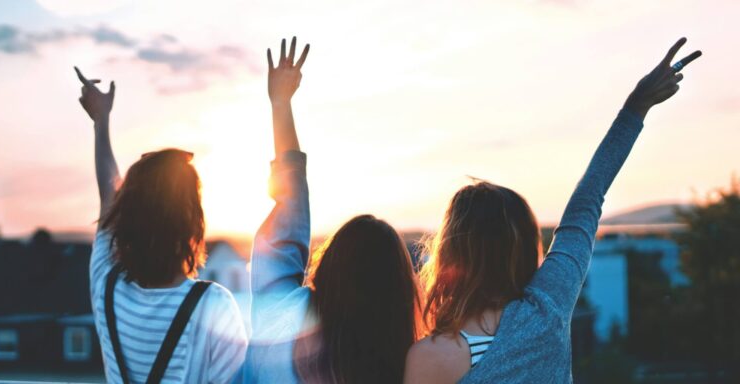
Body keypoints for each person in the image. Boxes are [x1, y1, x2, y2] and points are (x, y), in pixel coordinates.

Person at [404, 38, 702, 383]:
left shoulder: (428, 358)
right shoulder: (547, 308)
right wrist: (636, 108)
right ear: (523, 247)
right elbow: (586, 203)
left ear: (451, 252)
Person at [241, 37, 424, 383]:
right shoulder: (403, 365)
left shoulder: (278, 321)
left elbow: (289, 212)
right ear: (397, 291)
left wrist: (280, 104)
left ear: (330, 266)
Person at [75, 67, 247, 383]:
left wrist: (101, 122)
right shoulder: (214, 307)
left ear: (125, 219)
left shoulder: (106, 287)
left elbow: (108, 197)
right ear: (192, 223)